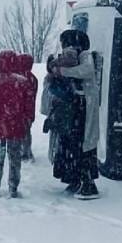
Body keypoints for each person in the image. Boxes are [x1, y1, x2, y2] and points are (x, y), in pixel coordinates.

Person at [51, 30, 101, 200]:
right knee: (72, 143)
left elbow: (86, 71)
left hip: (85, 107)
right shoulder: (75, 55)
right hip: (76, 108)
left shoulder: (85, 55)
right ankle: (74, 178)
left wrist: (62, 71)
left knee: (84, 145)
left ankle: (87, 182)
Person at [0, 50, 33, 198]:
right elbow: (28, 107)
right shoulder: (23, 82)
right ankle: (13, 188)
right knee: (15, 159)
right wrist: (23, 120)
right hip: (16, 128)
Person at [14, 53, 38, 162]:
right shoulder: (33, 78)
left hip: (17, 111)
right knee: (26, 131)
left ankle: (21, 152)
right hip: (29, 110)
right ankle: (26, 151)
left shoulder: (15, 77)